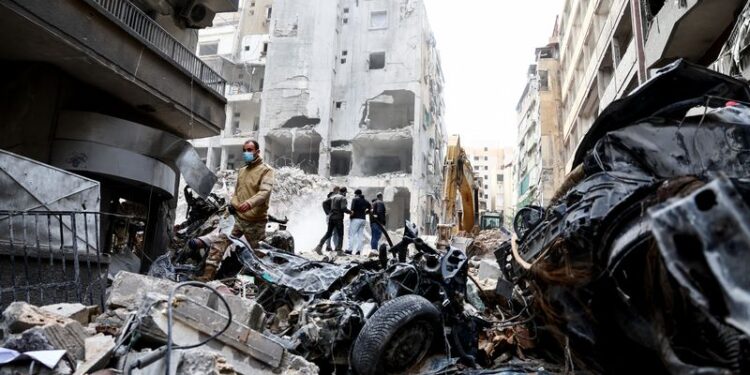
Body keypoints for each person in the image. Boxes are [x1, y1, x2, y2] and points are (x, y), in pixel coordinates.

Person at [194, 139, 274, 281]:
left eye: (249, 150)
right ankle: (207, 276)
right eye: (244, 150)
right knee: (219, 242)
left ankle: (264, 282)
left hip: (256, 221)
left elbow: (265, 192)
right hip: (237, 217)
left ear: (257, 152)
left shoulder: (266, 170)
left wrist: (249, 203)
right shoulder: (242, 171)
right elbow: (236, 193)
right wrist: (234, 205)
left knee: (260, 254)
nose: (246, 153)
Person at [314, 186, 350, 255]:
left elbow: (324, 203)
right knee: (340, 234)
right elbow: (343, 208)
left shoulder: (332, 197)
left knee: (328, 233)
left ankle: (319, 247)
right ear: (344, 192)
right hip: (338, 218)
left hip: (331, 218)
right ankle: (339, 251)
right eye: (345, 193)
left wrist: (328, 213)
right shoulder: (343, 198)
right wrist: (350, 212)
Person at [346, 189, 371, 255]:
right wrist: (366, 213)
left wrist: (350, 217)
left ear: (356, 194)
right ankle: (359, 251)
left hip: (355, 219)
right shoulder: (366, 201)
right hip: (363, 219)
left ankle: (349, 250)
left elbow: (352, 209)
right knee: (360, 236)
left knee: (351, 235)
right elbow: (370, 208)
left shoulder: (355, 199)